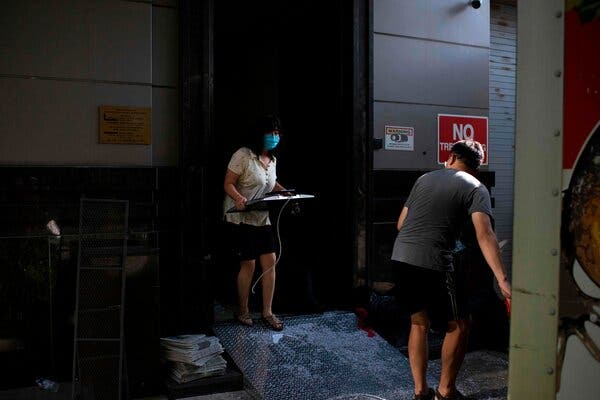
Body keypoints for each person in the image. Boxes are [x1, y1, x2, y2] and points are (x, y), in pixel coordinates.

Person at [391, 140, 512, 400]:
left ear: (451, 157)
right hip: (434, 261)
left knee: (418, 322)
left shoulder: (424, 179)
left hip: (400, 257)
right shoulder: (476, 187)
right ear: (477, 167)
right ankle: (445, 391)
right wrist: (502, 279)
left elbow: (401, 223)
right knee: (459, 324)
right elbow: (485, 233)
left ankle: (421, 392)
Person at [222, 114, 288, 331]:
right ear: (260, 134)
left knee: (270, 261)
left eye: (277, 133)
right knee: (248, 263)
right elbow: (228, 183)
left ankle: (268, 312)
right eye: (271, 133)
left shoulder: (272, 160)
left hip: (262, 217)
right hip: (240, 218)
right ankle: (243, 310)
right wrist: (238, 198)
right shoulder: (243, 155)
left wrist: (284, 192)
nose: (275, 136)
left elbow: (271, 182)